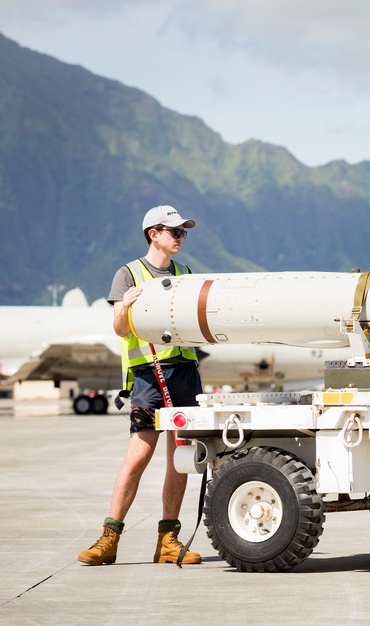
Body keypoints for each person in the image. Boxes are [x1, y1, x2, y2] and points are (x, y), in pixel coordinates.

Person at [78, 205, 203, 566]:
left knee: (178, 460)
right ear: (154, 234)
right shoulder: (128, 273)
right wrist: (127, 306)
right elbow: (119, 329)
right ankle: (109, 539)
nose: (181, 238)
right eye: (175, 232)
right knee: (138, 457)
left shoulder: (184, 273)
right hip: (149, 374)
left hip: (184, 373)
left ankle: (168, 541)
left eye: (183, 232)